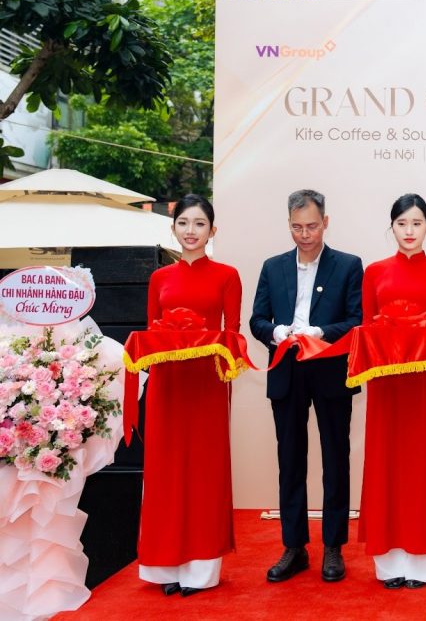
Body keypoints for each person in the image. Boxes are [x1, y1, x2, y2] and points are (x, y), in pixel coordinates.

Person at [250, 189, 363, 584]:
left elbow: (357, 320)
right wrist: (275, 332)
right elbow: (257, 319)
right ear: (288, 224)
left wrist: (321, 333)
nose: (305, 234)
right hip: (287, 370)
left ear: (325, 222)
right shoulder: (272, 267)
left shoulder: (348, 265)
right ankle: (294, 546)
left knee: (336, 460)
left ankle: (333, 546)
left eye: (312, 226)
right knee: (291, 461)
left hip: (329, 370)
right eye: (297, 227)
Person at [137, 194, 241, 597]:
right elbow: (151, 330)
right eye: (184, 223)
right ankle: (165, 565)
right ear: (173, 228)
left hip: (208, 383)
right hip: (167, 383)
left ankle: (200, 569)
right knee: (165, 471)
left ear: (213, 230)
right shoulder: (159, 278)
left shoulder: (227, 275)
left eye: (200, 224)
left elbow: (233, 335)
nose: (191, 231)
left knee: (204, 471)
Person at [359, 193, 426, 589]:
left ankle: (424, 562)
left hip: (424, 385)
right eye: (402, 223)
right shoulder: (374, 272)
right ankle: (389, 563)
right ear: (392, 227)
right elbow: (366, 329)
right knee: (385, 463)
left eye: (417, 223)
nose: (410, 231)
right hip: (385, 383)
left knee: (421, 466)